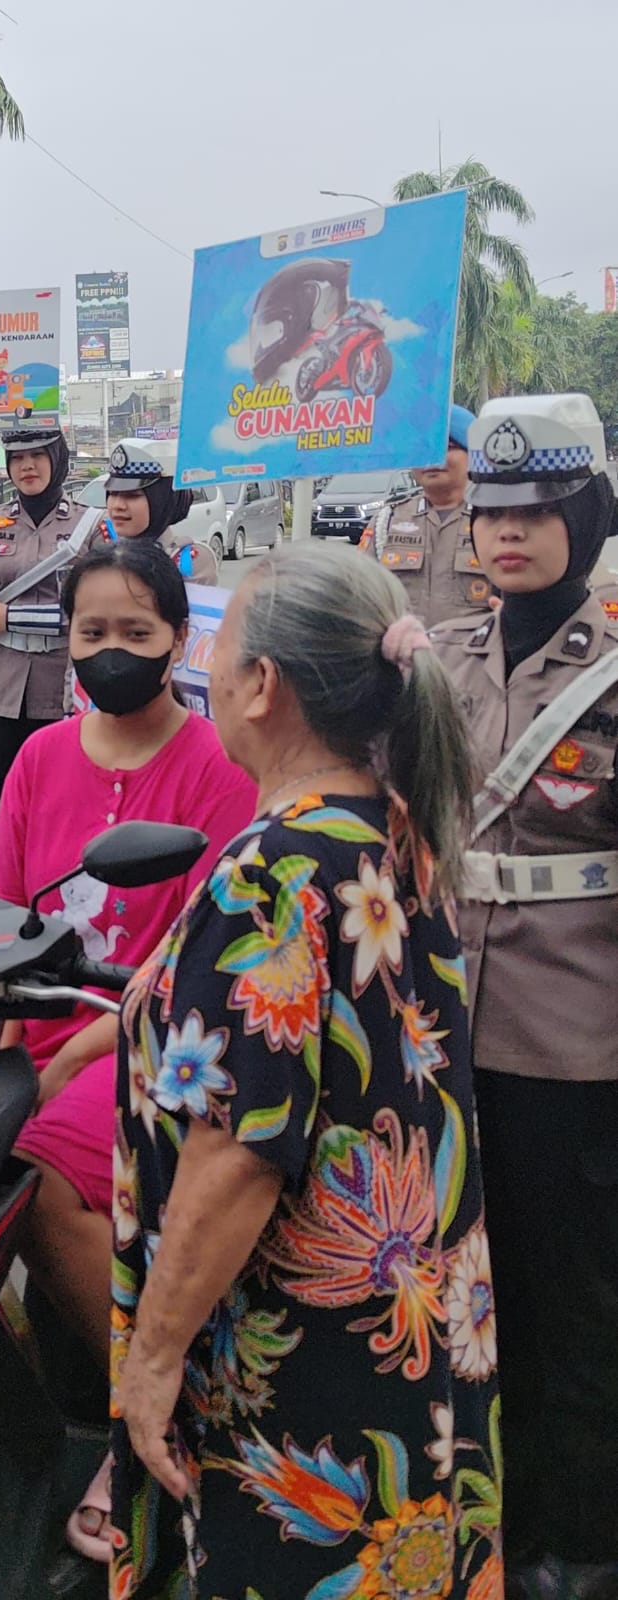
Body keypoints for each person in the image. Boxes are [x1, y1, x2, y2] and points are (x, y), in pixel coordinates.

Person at [112, 541, 498, 1600]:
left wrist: (149, 1362)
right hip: (408, 1346)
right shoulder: (392, 830)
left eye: (218, 645)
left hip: (300, 1375)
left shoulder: (274, 871)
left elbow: (241, 1152)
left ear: (261, 684)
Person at [0, 537, 255, 1559]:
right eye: (92, 631)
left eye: (136, 632)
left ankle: (148, 1408)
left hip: (150, 1049)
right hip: (42, 1035)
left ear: (180, 640)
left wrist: (58, 1064)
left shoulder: (217, 769)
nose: (110, 651)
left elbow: (189, 968)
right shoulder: (39, 758)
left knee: (35, 1178)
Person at [432, 393, 618, 1599]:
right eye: (493, 510)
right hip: (443, 1031)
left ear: (585, 515)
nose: (508, 532)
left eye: (537, 507)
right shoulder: (438, 660)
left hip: (574, 1048)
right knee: (456, 1297)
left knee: (571, 1308)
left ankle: (576, 1540)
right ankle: (481, 1521)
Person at [0, 425, 103, 830]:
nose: (27, 466)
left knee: (63, 815)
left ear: (57, 460)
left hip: (60, 693)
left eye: (38, 455)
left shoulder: (89, 527)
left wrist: (10, 618)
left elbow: (98, 616)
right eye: (17, 458)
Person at [360, 403, 492, 625]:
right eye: (423, 448)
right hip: (404, 657)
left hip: (473, 657)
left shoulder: (495, 519)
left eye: (447, 447)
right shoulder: (387, 521)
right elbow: (360, 594)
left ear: (474, 455)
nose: (433, 458)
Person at [97, 439, 219, 584]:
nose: (117, 505)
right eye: (112, 493)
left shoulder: (188, 562)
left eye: (132, 496)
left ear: (162, 500)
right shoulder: (98, 549)